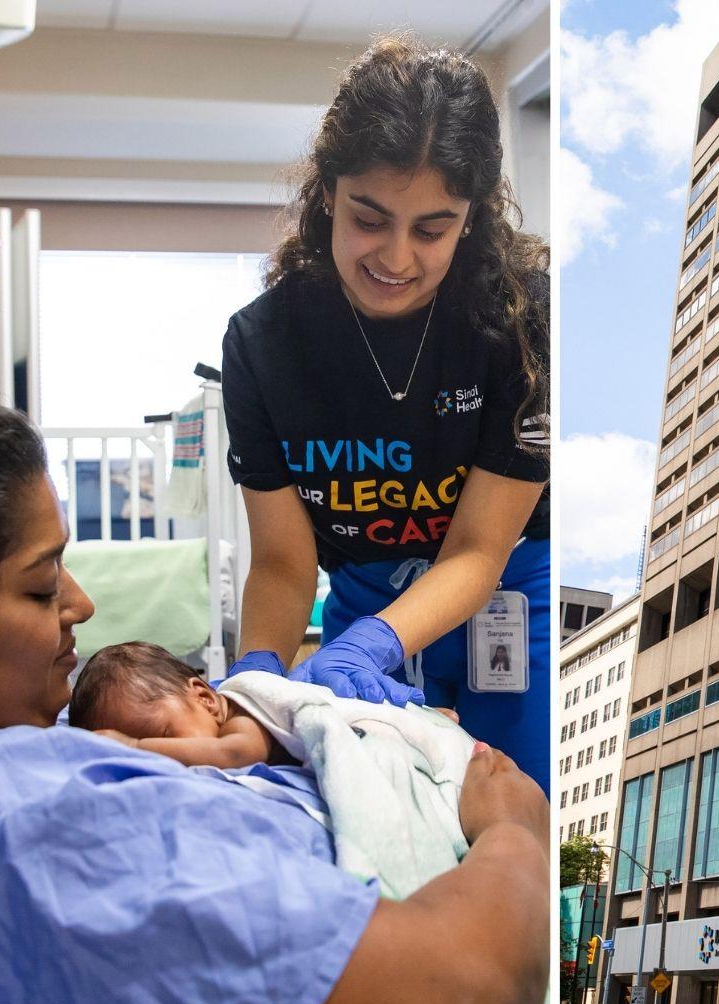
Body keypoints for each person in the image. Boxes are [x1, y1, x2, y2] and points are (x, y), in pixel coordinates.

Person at [0, 382, 550, 1004]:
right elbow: (465, 997)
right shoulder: (22, 816)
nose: (82, 603)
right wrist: (514, 833)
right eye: (42, 585)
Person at [222, 38, 552, 791]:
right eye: (370, 218)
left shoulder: (523, 323)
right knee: (367, 795)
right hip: (366, 595)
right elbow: (280, 560)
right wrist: (256, 684)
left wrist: (375, 641)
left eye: (431, 228)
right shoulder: (263, 344)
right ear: (330, 190)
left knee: (515, 800)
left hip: (507, 587)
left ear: (470, 218)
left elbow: (476, 547)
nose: (396, 258)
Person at [70, 640, 292, 767]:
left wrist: (135, 747)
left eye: (165, 738)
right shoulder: (209, 717)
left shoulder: (243, 714)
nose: (169, 755)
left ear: (204, 698)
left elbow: (238, 754)